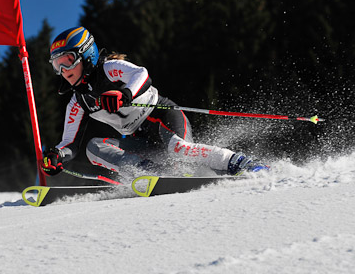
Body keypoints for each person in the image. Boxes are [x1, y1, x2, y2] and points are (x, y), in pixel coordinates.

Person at [41, 26, 269, 180]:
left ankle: (242, 163)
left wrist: (124, 94)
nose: (63, 71)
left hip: (162, 116)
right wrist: (57, 156)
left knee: (179, 149)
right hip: (138, 140)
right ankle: (150, 173)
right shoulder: (77, 102)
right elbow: (69, 143)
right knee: (94, 148)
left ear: (86, 55)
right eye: (57, 65)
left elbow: (142, 75)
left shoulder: (109, 69)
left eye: (67, 62)